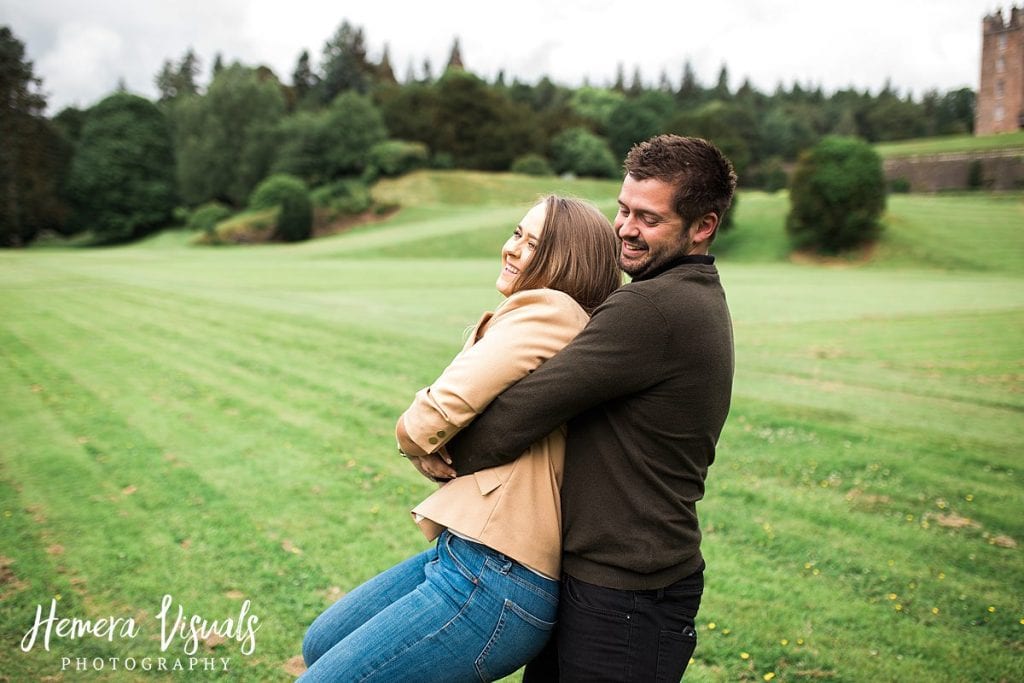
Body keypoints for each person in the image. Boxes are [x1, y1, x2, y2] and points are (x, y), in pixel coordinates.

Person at [422, 135, 738, 681]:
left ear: (703, 226)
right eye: (622, 209)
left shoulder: (654, 308)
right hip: (609, 581)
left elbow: (523, 412)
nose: (625, 229)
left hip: (625, 595)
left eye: (648, 218)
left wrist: (444, 449)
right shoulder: (686, 296)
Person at [300, 195, 621, 682]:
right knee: (320, 643)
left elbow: (437, 411)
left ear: (564, 261)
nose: (511, 249)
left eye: (532, 243)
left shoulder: (550, 311)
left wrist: (412, 440)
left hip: (497, 580)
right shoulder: (554, 318)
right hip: (468, 556)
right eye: (516, 233)